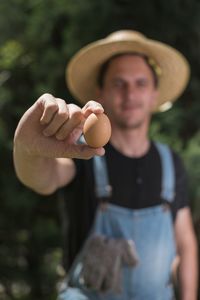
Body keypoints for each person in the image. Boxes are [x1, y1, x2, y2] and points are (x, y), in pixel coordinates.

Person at [13, 30, 198, 300]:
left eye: (140, 83)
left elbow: (186, 244)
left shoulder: (171, 163)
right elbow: (43, 179)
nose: (130, 93)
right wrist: (27, 149)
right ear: (101, 92)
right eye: (119, 83)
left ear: (154, 94)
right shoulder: (81, 152)